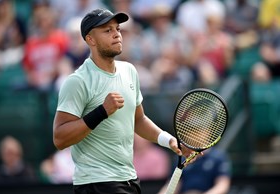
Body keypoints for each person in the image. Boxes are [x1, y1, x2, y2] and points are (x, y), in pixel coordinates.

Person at [53, 8, 197, 194]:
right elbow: (60, 138)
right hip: (97, 183)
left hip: (128, 179)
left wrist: (170, 140)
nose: (116, 35)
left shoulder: (129, 71)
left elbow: (138, 120)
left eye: (117, 29)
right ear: (90, 39)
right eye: (107, 30)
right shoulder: (77, 81)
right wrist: (102, 111)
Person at [158, 148, 231, 194]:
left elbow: (222, 186)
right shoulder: (181, 158)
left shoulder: (219, 157)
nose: (195, 134)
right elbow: (174, 185)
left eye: (199, 130)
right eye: (192, 130)